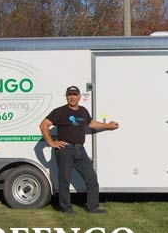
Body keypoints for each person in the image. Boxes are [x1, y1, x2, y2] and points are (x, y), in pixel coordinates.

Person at [39, 85, 119, 214]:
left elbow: (92, 123)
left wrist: (108, 126)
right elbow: (44, 125)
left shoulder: (83, 111)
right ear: (66, 97)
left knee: (92, 179)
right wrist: (52, 143)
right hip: (65, 150)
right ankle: (66, 208)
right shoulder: (59, 111)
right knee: (64, 180)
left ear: (79, 97)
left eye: (74, 95)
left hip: (80, 150)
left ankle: (93, 207)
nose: (72, 97)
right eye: (69, 95)